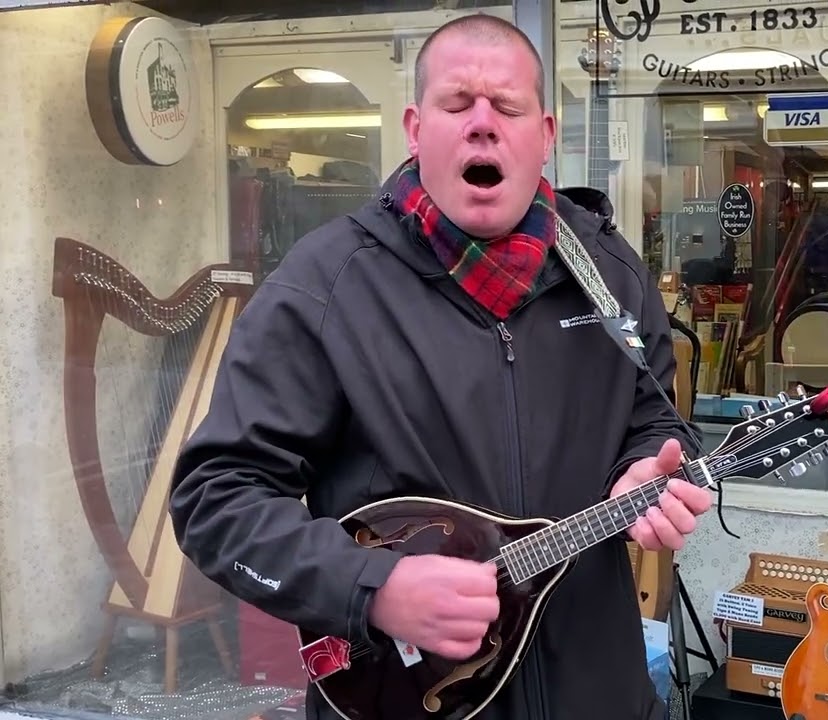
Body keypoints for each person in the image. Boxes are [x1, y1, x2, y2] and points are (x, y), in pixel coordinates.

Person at [168, 14, 711, 720]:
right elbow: (215, 498)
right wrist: (373, 587)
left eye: (507, 107)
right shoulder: (328, 285)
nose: (483, 123)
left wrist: (647, 467)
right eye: (457, 104)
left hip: (599, 692)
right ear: (416, 128)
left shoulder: (610, 274)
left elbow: (656, 418)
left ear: (544, 135)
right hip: (400, 697)